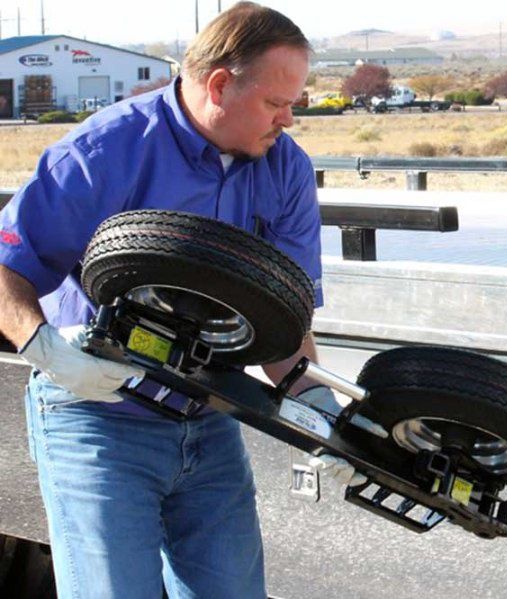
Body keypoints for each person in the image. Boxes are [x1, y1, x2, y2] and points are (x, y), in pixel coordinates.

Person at [0, 3, 357, 597]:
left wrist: (315, 407)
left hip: (207, 414)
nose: (289, 119)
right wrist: (45, 348)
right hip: (96, 419)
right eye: (276, 103)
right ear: (219, 86)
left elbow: (282, 319)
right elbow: (5, 265)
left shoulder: (286, 169)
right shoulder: (106, 152)